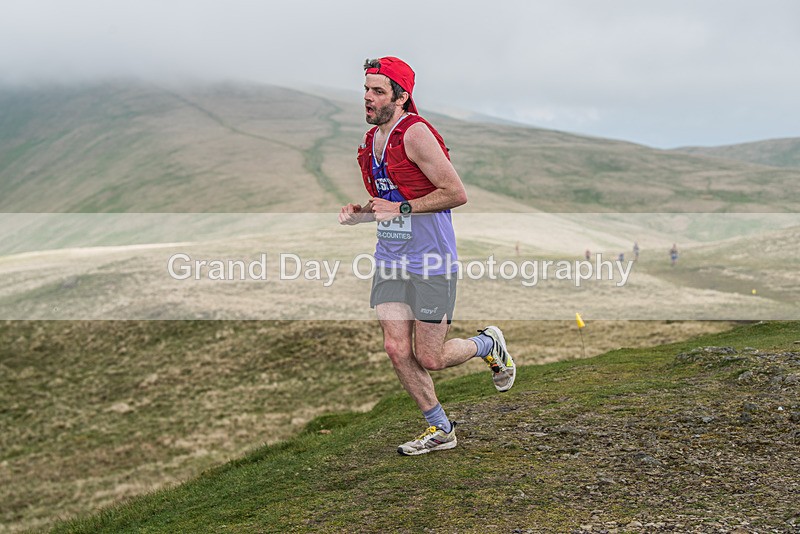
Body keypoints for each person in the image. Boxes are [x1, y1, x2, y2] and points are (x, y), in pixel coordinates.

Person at [338, 57, 516, 456]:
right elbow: (389, 202)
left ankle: (488, 345)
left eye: (378, 91)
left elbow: (456, 193)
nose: (368, 98)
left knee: (429, 357)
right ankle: (441, 429)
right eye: (366, 89)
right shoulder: (369, 144)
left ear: (401, 97)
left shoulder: (416, 134)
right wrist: (361, 214)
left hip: (431, 261)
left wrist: (399, 210)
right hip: (390, 258)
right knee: (396, 349)